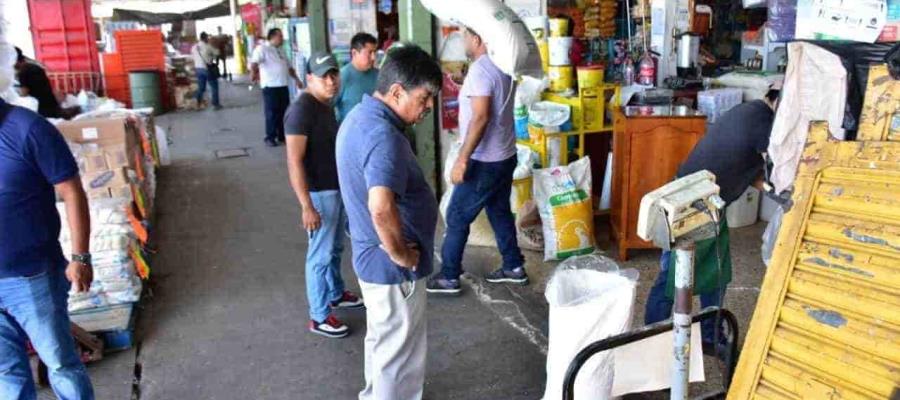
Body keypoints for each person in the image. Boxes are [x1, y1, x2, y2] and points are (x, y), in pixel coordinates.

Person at [336, 44, 441, 400]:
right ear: (397, 91)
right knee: (400, 359)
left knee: (384, 345)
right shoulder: (383, 137)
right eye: (424, 98)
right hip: (392, 269)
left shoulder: (358, 118)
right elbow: (380, 207)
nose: (428, 108)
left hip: (371, 259)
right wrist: (402, 255)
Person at [644, 87, 781, 348]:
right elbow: (777, 170)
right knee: (674, 275)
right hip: (694, 205)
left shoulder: (748, 111)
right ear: (778, 102)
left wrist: (775, 192)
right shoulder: (764, 123)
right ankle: (653, 338)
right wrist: (783, 192)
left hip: (695, 197)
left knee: (714, 272)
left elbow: (747, 169)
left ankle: (706, 334)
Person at [0, 98, 95, 399]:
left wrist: (80, 256)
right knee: (7, 373)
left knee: (61, 365)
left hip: (33, 277)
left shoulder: (27, 129)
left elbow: (71, 190)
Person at [427, 27, 526, 295]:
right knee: (499, 211)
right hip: (505, 155)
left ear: (477, 38)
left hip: (485, 161)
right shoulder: (504, 65)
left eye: (464, 36)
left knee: (457, 215)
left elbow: (481, 117)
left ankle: (448, 276)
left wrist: (462, 159)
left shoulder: (481, 71)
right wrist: (465, 83)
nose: (462, 41)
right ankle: (513, 266)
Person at [284, 51, 364, 338]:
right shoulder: (301, 110)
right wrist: (306, 205)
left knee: (334, 249)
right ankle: (319, 316)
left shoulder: (324, 104)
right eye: (323, 76)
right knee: (319, 256)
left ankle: (335, 293)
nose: (331, 81)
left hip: (334, 189)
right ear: (309, 79)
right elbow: (294, 161)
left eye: (334, 74)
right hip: (319, 195)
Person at [251, 28, 303, 147]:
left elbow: (289, 68)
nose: (282, 38)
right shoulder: (263, 49)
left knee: (284, 112)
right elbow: (254, 62)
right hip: (270, 86)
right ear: (272, 37)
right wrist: (253, 73)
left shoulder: (281, 50)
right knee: (271, 113)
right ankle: (270, 137)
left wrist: (297, 80)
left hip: (283, 85)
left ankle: (281, 135)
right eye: (280, 36)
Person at [334, 33, 379, 123]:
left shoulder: (379, 75)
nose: (373, 57)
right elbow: (329, 108)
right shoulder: (342, 76)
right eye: (369, 53)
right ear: (354, 53)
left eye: (375, 52)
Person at [14, 47, 62, 119]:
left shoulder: (23, 72)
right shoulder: (35, 66)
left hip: (41, 108)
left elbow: (24, 93)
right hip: (51, 103)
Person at [192, 32, 222, 110]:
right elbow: (218, 53)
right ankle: (216, 104)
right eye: (207, 38)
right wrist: (215, 47)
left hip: (198, 69)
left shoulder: (194, 47)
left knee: (201, 88)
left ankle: (197, 103)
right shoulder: (208, 46)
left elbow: (193, 56)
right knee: (214, 86)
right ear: (205, 38)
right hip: (207, 69)